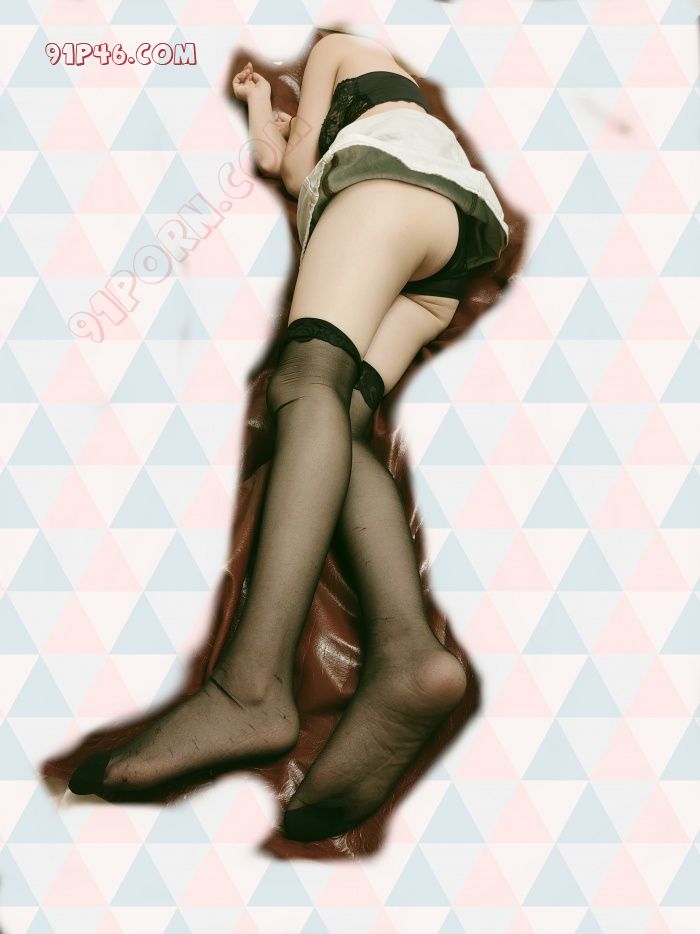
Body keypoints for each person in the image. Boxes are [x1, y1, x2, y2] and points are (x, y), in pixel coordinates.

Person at [67, 31, 509, 844]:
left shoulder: (341, 46)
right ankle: (410, 657)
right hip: (442, 261)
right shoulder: (367, 100)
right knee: (337, 425)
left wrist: (278, 113)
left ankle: (251, 682)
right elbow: (288, 164)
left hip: (390, 193)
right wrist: (257, 105)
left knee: (303, 382)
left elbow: (301, 169)